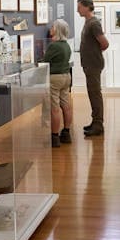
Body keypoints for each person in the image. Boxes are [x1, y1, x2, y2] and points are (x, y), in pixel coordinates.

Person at [77, 0, 109, 136]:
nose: (78, 10)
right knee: (92, 93)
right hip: (89, 63)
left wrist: (94, 53)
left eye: (79, 7)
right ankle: (95, 121)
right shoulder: (88, 22)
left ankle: (98, 124)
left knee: (95, 93)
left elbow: (105, 43)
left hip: (93, 64)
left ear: (86, 6)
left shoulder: (93, 23)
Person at [41, 19, 73, 148]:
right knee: (65, 105)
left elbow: (45, 61)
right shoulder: (66, 45)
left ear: (57, 30)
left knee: (54, 108)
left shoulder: (54, 46)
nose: (51, 28)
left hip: (54, 78)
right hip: (66, 76)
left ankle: (54, 137)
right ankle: (66, 133)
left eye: (53, 27)